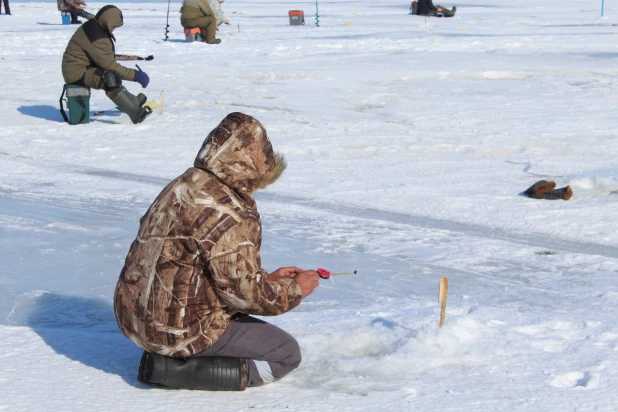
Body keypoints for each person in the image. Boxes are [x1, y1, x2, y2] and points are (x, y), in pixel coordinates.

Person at [114, 112, 322, 391]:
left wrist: (267, 279)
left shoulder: (183, 184)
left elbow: (192, 264)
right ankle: (170, 370)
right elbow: (246, 297)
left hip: (130, 316)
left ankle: (165, 348)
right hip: (175, 332)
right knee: (285, 354)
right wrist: (295, 289)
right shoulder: (231, 212)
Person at [61, 5, 152, 124]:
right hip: (75, 72)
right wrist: (136, 75)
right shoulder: (97, 37)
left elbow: (106, 60)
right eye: (114, 26)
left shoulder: (95, 26)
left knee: (111, 75)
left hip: (81, 67)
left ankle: (132, 101)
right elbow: (110, 66)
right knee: (110, 78)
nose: (114, 29)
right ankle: (135, 113)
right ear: (108, 22)